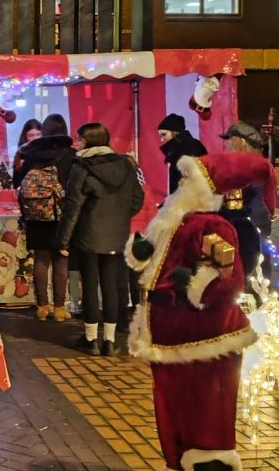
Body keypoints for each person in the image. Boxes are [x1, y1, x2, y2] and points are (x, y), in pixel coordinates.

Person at [126, 152, 275, 471]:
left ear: (203, 189)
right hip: (174, 342)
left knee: (206, 417)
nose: (178, 189)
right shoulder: (177, 224)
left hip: (205, 344)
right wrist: (144, 253)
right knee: (176, 414)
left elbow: (227, 279)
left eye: (185, 182)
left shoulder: (211, 226)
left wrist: (192, 284)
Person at [56, 123, 144, 355]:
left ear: (89, 142)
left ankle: (91, 339)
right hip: (117, 234)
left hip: (88, 235)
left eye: (80, 139)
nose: (76, 143)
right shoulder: (124, 165)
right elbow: (137, 197)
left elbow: (72, 206)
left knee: (90, 284)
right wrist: (120, 217)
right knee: (112, 285)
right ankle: (110, 341)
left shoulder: (82, 167)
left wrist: (63, 240)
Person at [13, 114, 75, 320]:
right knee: (60, 261)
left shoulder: (32, 155)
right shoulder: (70, 155)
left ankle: (42, 307)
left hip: (35, 215)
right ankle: (59, 309)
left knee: (40, 260)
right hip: (62, 214)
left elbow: (17, 183)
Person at [219, 122, 273, 286]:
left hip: (249, 220)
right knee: (260, 264)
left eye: (229, 139)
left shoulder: (245, 165)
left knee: (250, 264)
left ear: (239, 141)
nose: (226, 143)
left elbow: (242, 196)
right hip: (255, 220)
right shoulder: (259, 162)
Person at [158, 114, 207, 195]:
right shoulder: (178, 150)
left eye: (164, 134)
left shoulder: (188, 148)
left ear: (175, 132)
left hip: (192, 203)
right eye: (160, 136)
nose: (162, 139)